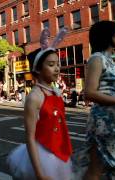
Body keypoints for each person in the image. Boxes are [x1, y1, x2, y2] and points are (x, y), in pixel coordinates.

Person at [71, 21, 115, 179]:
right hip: (105, 122)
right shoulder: (96, 59)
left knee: (102, 169)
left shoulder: (109, 60)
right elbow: (89, 93)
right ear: (108, 37)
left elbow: (112, 91)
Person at [7, 27, 72, 180]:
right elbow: (30, 137)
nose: (57, 68)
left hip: (60, 153)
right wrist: (39, 173)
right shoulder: (34, 97)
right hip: (43, 156)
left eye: (57, 64)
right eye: (51, 64)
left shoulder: (56, 92)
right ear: (37, 69)